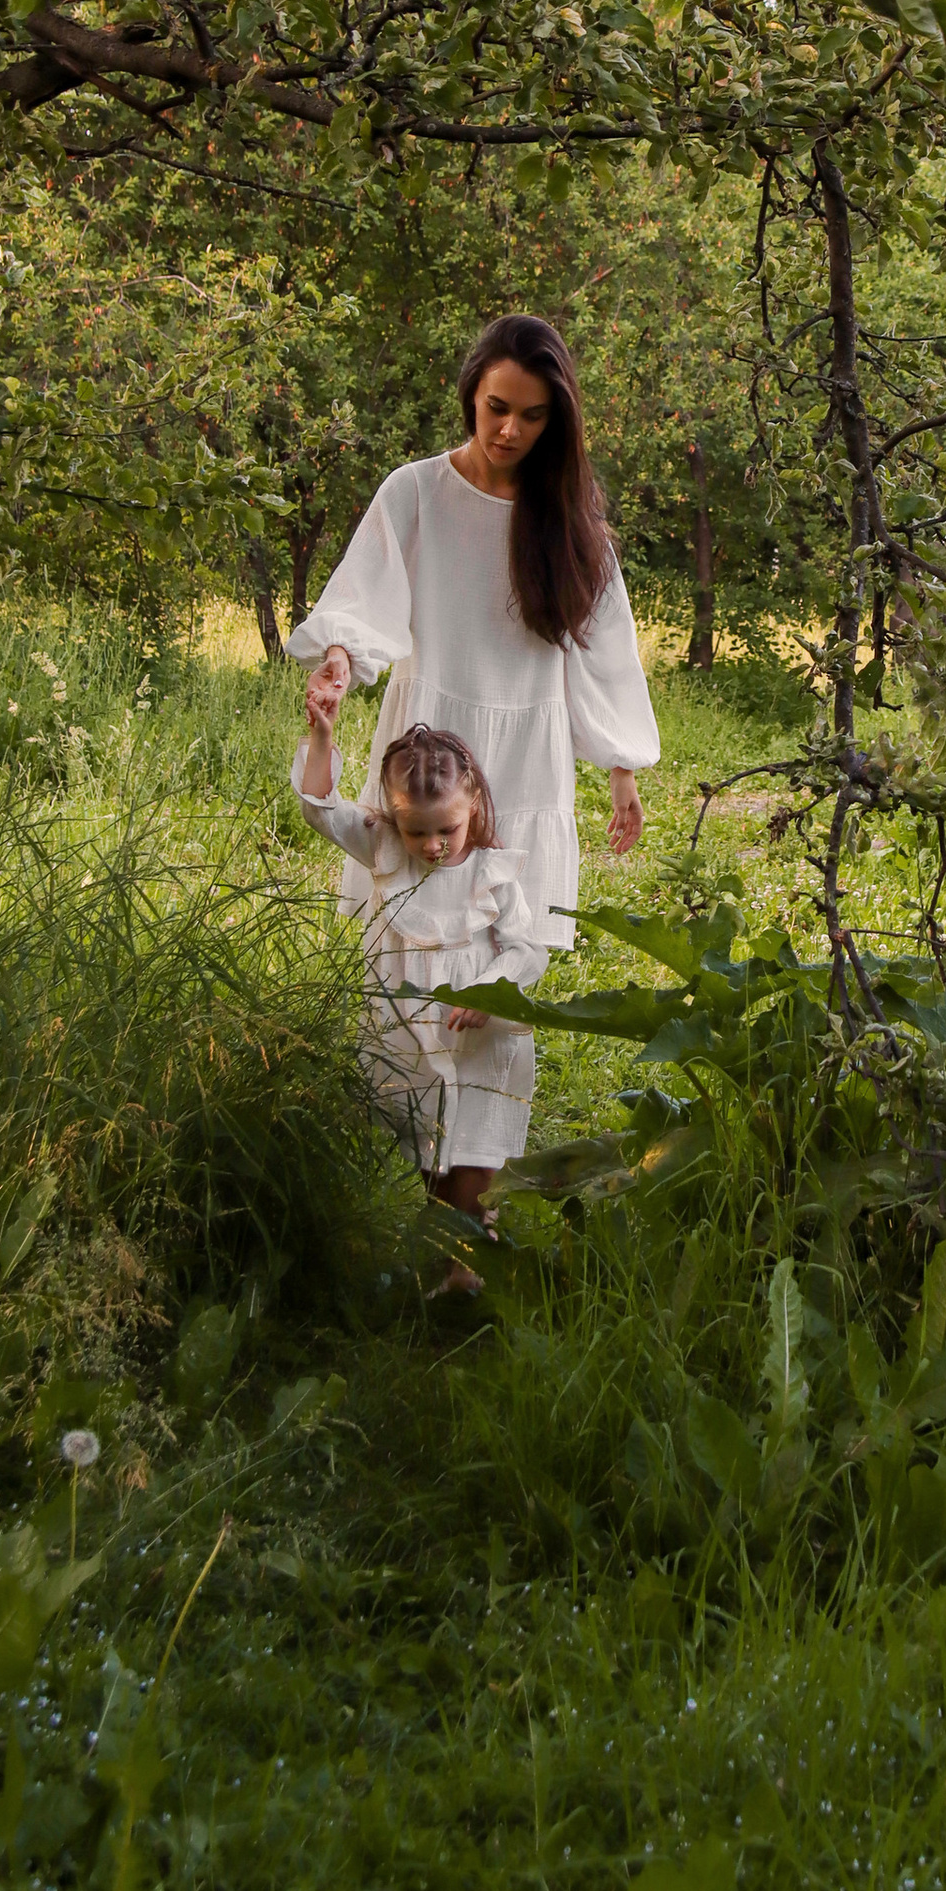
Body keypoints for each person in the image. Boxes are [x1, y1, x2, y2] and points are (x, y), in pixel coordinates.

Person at [291, 316, 659, 970]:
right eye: (497, 408)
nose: (510, 430)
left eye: (532, 415)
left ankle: (490, 1074)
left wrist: (620, 768)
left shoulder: (573, 526)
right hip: (428, 746)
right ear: (471, 395)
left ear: (557, 422)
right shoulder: (416, 492)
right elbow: (363, 593)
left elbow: (606, 649)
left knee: (504, 953)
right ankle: (395, 1071)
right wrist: (340, 659)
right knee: (407, 940)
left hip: (524, 756)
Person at [294, 703, 546, 1219]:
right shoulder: (385, 850)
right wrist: (322, 736)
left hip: (477, 1029)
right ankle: (449, 1255)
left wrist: (489, 989)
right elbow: (320, 809)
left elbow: (526, 950)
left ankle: (473, 1250)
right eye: (416, 832)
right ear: (392, 815)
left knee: (476, 1144)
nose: (431, 846)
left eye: (446, 830)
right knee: (431, 1143)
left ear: (472, 801)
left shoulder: (490, 873)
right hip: (409, 1029)